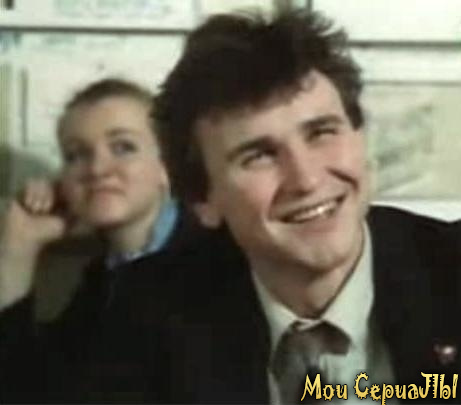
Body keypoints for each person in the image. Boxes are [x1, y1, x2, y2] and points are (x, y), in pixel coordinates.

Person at [119, 9, 461, 403]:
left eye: (321, 133)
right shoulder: (136, 319)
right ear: (203, 200)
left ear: (360, 140)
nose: (307, 179)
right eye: (259, 155)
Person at [0, 78, 199, 402]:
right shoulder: (100, 283)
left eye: (123, 147)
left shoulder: (218, 262)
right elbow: (23, 389)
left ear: (167, 166)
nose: (97, 169)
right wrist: (19, 249)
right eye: (76, 155)